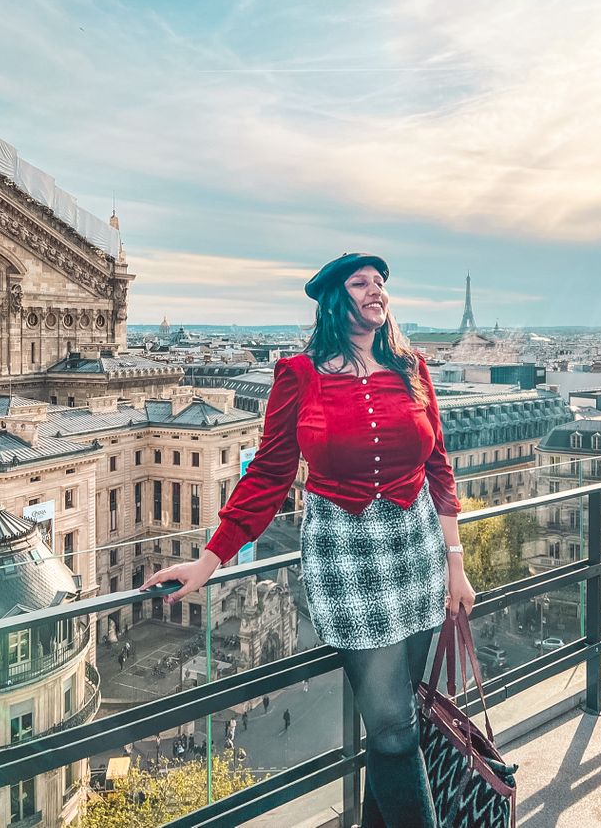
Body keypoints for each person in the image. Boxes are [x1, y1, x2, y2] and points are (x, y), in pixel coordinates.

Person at [140, 252, 476, 828]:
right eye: (361, 283)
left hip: (418, 556)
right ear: (334, 300)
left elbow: (438, 469)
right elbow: (269, 474)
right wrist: (211, 559)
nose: (376, 291)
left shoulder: (412, 368)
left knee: (397, 728)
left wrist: (456, 564)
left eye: (381, 283)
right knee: (394, 728)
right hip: (346, 562)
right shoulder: (299, 374)